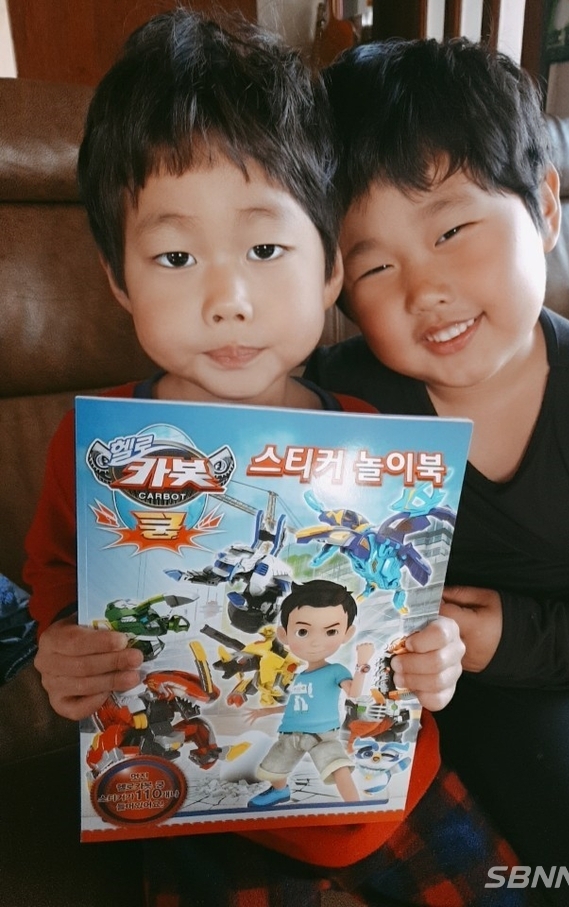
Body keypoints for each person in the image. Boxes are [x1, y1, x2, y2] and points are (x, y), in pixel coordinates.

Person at [23, 11, 522, 906]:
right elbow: (57, 577)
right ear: (118, 278)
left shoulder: (376, 438)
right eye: (175, 254)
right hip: (199, 814)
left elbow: (414, 604)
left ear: (330, 268)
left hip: (392, 797)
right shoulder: (100, 448)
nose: (228, 298)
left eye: (265, 248)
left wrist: (438, 652)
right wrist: (61, 650)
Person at [304, 36, 569, 905]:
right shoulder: (344, 409)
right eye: (375, 264)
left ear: (544, 207)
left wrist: (524, 632)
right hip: (509, 699)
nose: (423, 290)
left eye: (451, 229)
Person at [247, 580, 374, 807]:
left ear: (347, 633)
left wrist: (362, 664)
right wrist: (266, 711)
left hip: (321, 735)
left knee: (338, 767)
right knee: (274, 768)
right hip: (290, 733)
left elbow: (354, 693)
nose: (316, 642)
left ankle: (355, 806)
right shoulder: (301, 676)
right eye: (303, 631)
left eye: (331, 631)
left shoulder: (335, 671)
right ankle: (280, 791)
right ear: (284, 635)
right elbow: (296, 703)